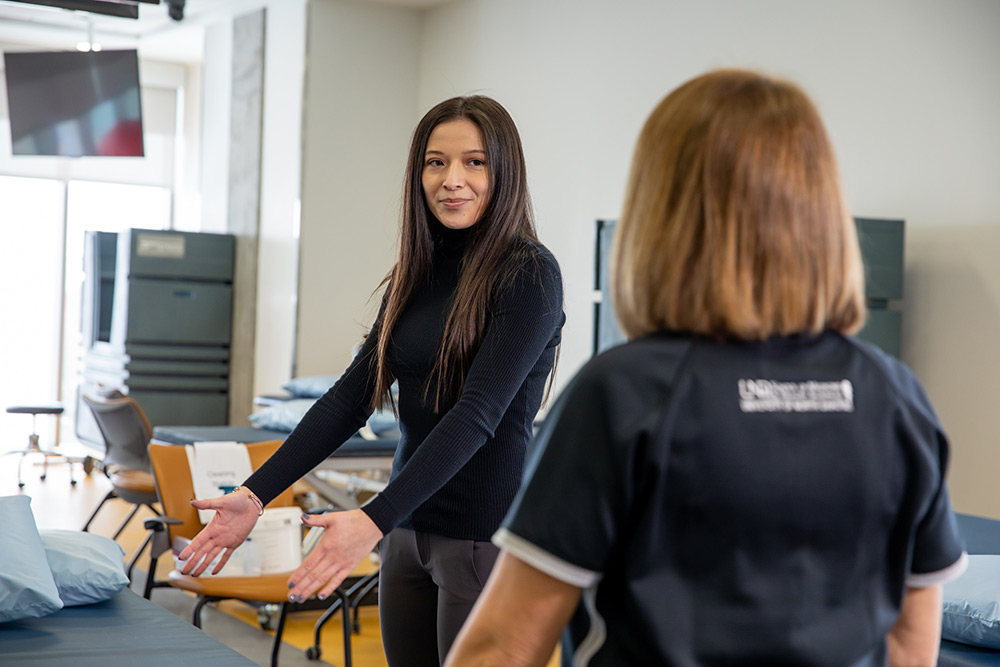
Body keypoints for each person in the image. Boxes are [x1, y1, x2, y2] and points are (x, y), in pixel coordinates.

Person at [445, 69, 967, 667]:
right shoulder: (895, 395)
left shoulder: (624, 394)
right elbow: (908, 638)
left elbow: (503, 646)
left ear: (662, 212)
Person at [178, 95, 564, 665]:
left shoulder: (529, 273)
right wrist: (255, 493)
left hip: (480, 538)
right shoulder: (417, 274)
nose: (452, 180)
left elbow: (477, 413)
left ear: (503, 171)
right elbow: (349, 398)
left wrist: (370, 518)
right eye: (436, 163)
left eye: (474, 162)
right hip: (406, 533)